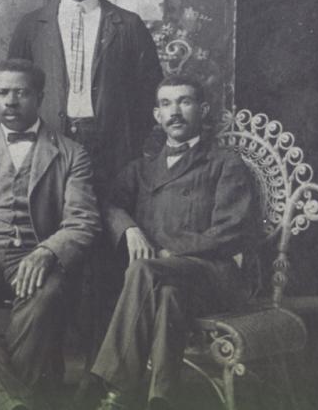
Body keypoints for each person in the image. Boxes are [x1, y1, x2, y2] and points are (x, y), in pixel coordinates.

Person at [8, 0, 162, 388]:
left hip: (111, 151)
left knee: (104, 263)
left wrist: (136, 155)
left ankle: (102, 378)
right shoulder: (30, 27)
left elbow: (147, 98)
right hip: (50, 154)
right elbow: (15, 91)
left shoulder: (127, 25)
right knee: (54, 253)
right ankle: (47, 375)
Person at [0, 59, 101, 410]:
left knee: (47, 291)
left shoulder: (72, 153)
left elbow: (82, 221)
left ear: (39, 97)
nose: (10, 101)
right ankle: (12, 399)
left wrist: (46, 252)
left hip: (37, 254)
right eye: (2, 93)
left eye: (21, 93)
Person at [90, 75, 257, 410]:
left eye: (185, 101)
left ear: (204, 108)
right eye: (166, 104)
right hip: (168, 281)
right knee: (167, 295)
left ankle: (113, 385)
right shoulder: (142, 169)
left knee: (143, 270)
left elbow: (231, 231)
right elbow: (110, 204)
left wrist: (170, 251)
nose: (175, 111)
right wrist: (129, 229)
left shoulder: (225, 163)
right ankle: (161, 397)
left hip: (214, 276)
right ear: (157, 115)